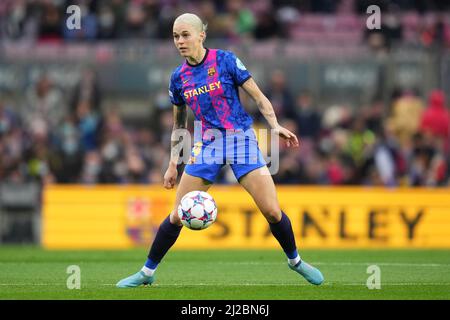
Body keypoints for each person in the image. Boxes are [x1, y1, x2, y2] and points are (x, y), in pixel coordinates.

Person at [116, 13, 324, 288]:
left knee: (272, 212)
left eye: (185, 35)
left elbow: (259, 97)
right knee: (177, 214)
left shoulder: (225, 60)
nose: (180, 41)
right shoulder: (178, 78)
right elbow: (180, 123)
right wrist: (171, 165)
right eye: (176, 36)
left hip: (241, 140)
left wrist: (274, 126)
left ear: (201, 35)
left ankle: (295, 262)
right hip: (207, 144)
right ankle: (146, 273)